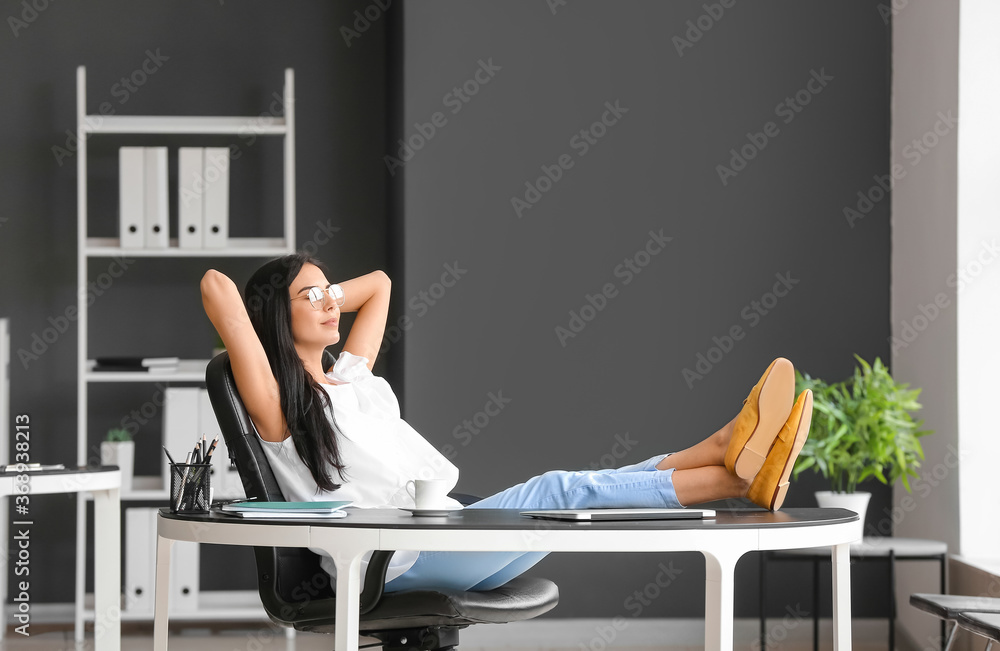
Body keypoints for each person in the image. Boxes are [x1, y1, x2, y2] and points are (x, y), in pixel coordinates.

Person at [201, 253, 813, 592]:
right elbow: (216, 287)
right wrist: (275, 311)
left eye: (332, 291)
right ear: (275, 320)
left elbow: (381, 285)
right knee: (560, 490)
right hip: (389, 560)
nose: (333, 301)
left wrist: (318, 290)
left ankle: (725, 451)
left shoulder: (350, 378)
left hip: (436, 536)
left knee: (584, 496)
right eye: (311, 297)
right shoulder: (279, 403)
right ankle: (735, 478)